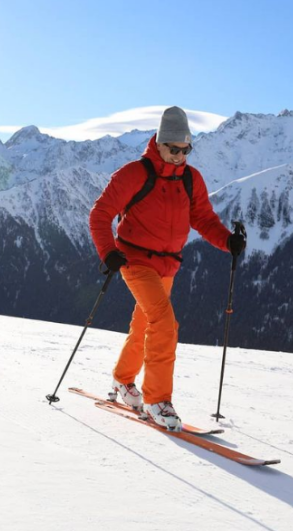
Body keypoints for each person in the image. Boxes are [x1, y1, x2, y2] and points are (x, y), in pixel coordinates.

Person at [89, 106, 246, 431]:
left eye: (185, 149)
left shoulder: (191, 179)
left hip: (168, 265)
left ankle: (122, 379)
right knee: (164, 323)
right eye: (172, 148)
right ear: (159, 143)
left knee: (145, 323)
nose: (178, 155)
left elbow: (203, 219)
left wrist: (227, 241)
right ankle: (157, 400)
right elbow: (100, 214)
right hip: (134, 260)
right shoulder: (134, 174)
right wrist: (109, 252)